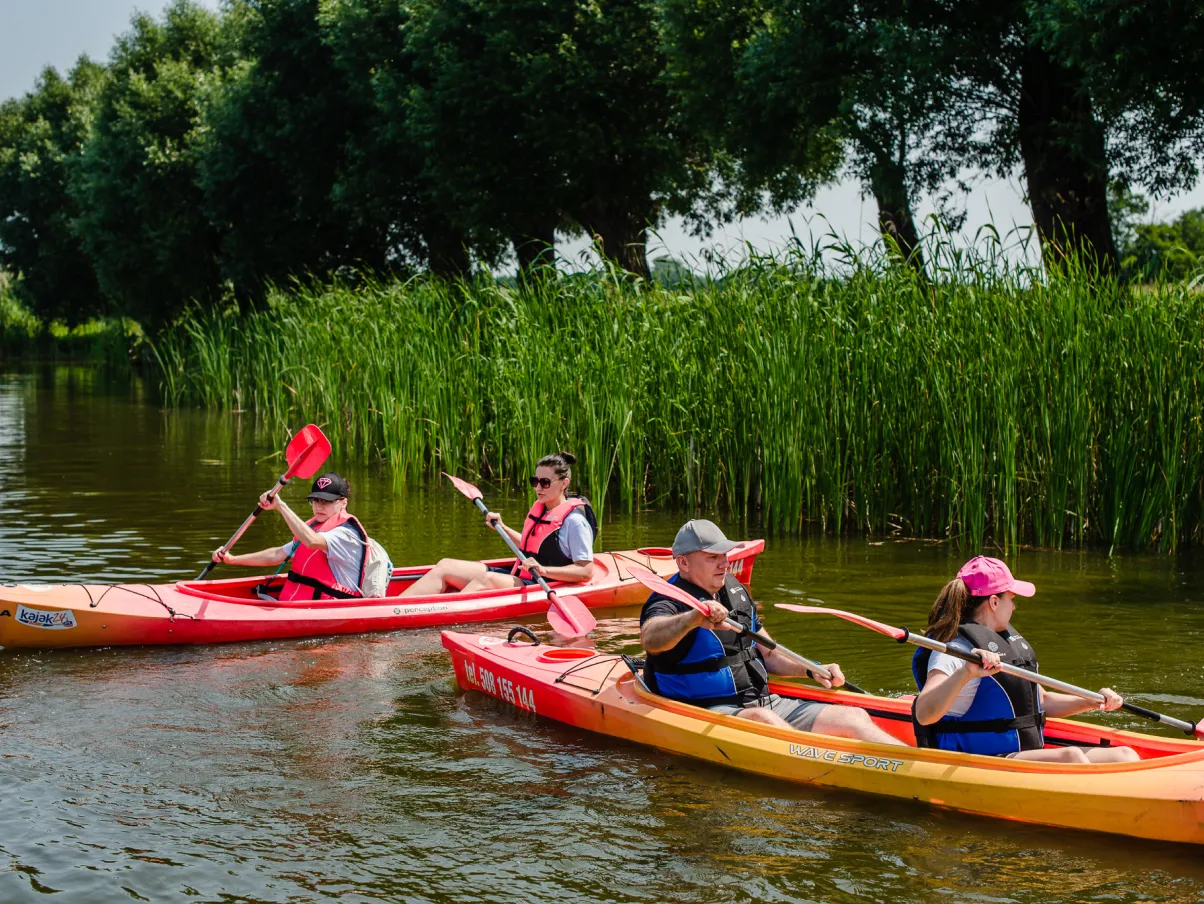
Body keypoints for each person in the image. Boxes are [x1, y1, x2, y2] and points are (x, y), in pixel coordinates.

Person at [640, 519, 905, 744]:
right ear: (683, 563)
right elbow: (651, 639)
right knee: (763, 720)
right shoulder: (667, 601)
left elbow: (768, 653)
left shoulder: (734, 591)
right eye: (712, 557)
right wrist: (692, 619)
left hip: (760, 701)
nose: (723, 563)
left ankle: (909, 765)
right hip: (705, 710)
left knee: (853, 716)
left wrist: (810, 669)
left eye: (724, 555)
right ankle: (816, 766)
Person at [912, 556, 1139, 763]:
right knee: (1072, 757)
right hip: (981, 759)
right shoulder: (955, 651)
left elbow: (1043, 700)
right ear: (993, 602)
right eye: (1011, 599)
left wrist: (1092, 701)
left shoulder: (1006, 645)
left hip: (1021, 754)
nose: (1014, 606)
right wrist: (966, 673)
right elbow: (923, 714)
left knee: (1124, 755)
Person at [401, 451, 597, 597]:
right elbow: (533, 547)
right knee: (446, 566)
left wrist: (544, 570)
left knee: (486, 579)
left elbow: (585, 571)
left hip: (544, 582)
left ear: (564, 483)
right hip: (525, 575)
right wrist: (502, 527)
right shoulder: (543, 509)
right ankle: (395, 608)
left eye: (545, 482)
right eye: (534, 481)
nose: (538, 487)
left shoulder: (575, 522)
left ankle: (440, 615)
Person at [211, 472, 370, 600]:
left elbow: (311, 541)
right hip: (305, 604)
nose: (319, 506)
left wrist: (281, 506)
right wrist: (232, 559)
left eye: (327, 501)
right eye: (315, 500)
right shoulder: (314, 527)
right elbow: (277, 555)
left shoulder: (345, 534)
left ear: (343, 503)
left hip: (337, 606)